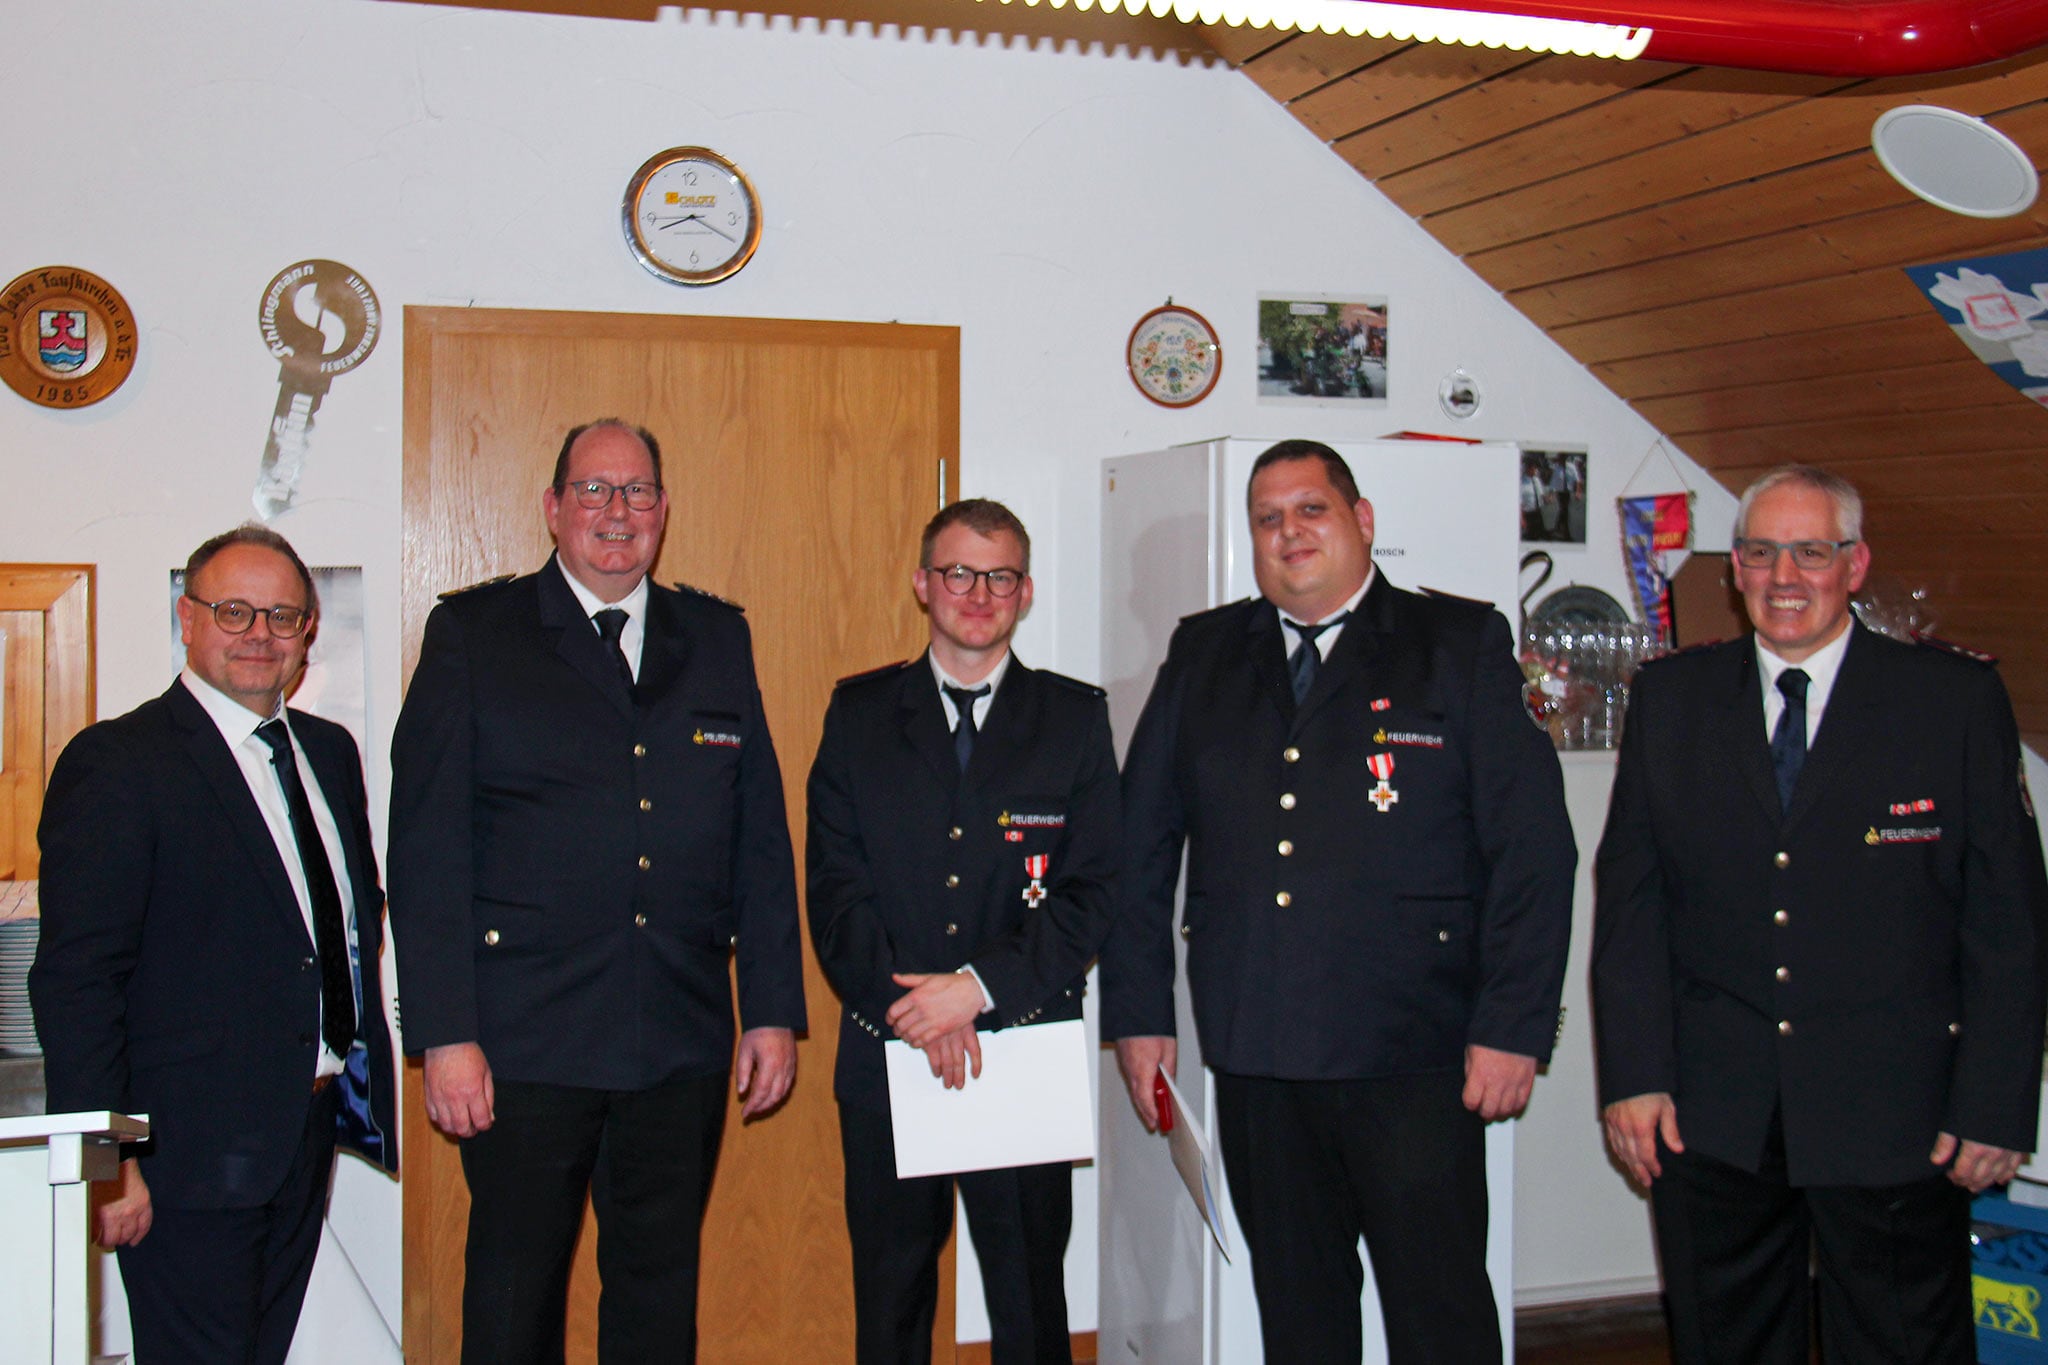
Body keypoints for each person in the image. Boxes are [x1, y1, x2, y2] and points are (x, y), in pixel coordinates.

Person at [1101, 439, 1576, 1363]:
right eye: (1268, 518)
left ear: (1362, 520)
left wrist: (1514, 1024)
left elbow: (1533, 851)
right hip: (1261, 1051)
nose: (1290, 532)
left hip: (1417, 1055)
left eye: (1310, 509)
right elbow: (1138, 847)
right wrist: (1138, 1013)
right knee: (1299, 1317)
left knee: (1440, 1315)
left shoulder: (1456, 644)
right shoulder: (1206, 652)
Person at [1593, 463, 2048, 1364]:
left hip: (1898, 1111)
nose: (1784, 576)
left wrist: (1997, 1105)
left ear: (1855, 562)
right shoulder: (1672, 699)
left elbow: (2010, 920)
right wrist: (1633, 1076)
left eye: (1810, 551)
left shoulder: (1951, 700)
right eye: (1761, 552)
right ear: (1735, 569)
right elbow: (1633, 905)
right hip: (1713, 1113)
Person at [387, 418, 807, 1364]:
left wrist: (772, 1010)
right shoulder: (476, 634)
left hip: (678, 1033)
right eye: (593, 490)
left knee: (659, 1298)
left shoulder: (717, 636)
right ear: (553, 507)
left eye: (637, 491)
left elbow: (757, 840)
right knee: (514, 1300)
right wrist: (445, 1034)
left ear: (663, 509)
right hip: (523, 1041)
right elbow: (425, 851)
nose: (617, 511)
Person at [30, 525, 397, 1365]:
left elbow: (340, 922)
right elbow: (77, 978)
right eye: (234, 611)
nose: (259, 633)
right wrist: (107, 1158)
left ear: (308, 631)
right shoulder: (119, 763)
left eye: (282, 615)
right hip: (182, 1156)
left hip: (300, 1134)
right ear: (187, 618)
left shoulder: (329, 753)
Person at [806, 499, 1119, 1365]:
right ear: (922, 584)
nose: (978, 593)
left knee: (1030, 1307)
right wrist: (919, 1011)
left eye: (1000, 576)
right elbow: (834, 888)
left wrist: (976, 992)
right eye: (958, 572)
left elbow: (1092, 890)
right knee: (891, 1305)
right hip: (887, 1049)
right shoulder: (859, 714)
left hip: (1022, 1045)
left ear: (1026, 592)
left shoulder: (1074, 719)